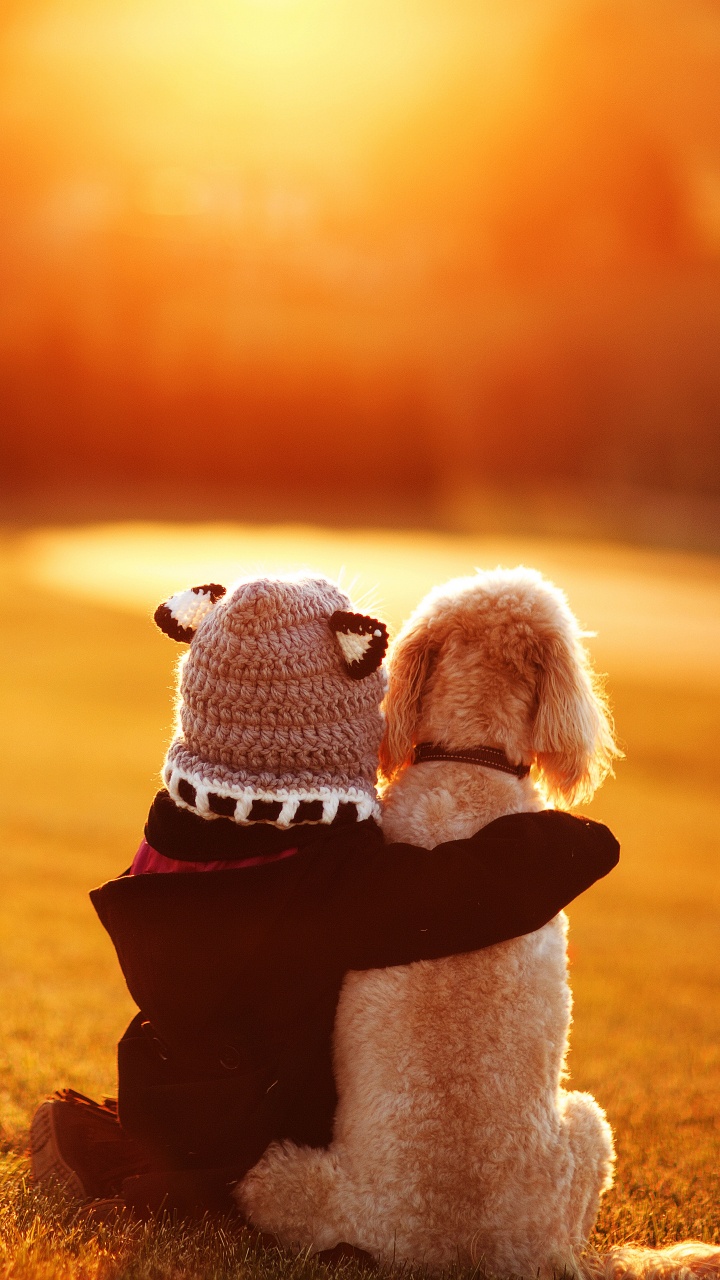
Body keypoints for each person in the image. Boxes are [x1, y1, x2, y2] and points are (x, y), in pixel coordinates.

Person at [30, 575, 619, 1219]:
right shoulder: (325, 885)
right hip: (258, 1119)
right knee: (259, 1180)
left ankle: (128, 1143)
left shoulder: (171, 835)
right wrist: (575, 841)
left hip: (164, 1078)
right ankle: (142, 1182)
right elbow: (458, 892)